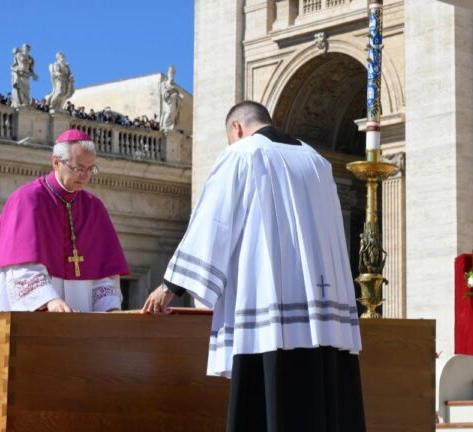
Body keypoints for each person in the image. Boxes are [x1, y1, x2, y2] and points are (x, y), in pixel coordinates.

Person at [141, 101, 365, 432]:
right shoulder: (317, 161)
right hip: (322, 316)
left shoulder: (243, 154)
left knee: (269, 406)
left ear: (236, 129)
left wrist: (170, 286)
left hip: (270, 308)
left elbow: (214, 222)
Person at [0, 129, 129, 313]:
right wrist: (48, 300)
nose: (85, 176)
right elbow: (21, 266)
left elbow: (104, 273)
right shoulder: (28, 199)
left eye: (91, 169)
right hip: (33, 315)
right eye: (79, 168)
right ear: (56, 162)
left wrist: (110, 308)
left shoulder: (94, 208)